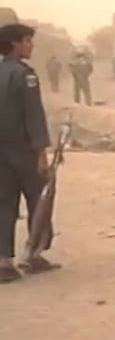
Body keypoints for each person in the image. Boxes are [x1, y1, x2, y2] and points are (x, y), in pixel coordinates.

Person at [0, 23, 60, 282]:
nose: (31, 45)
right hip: (23, 150)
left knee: (4, 204)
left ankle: (4, 261)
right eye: (27, 40)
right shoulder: (25, 75)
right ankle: (34, 254)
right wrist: (41, 153)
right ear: (15, 44)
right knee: (40, 198)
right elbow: (33, 117)